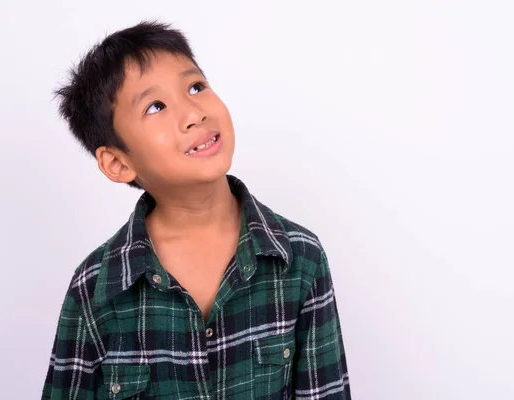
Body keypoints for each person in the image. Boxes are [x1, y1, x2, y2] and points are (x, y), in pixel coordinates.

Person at [42, 20, 350, 399]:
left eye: (196, 87)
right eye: (155, 106)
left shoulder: (300, 258)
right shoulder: (96, 288)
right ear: (118, 163)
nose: (193, 113)